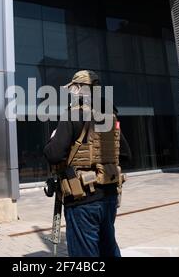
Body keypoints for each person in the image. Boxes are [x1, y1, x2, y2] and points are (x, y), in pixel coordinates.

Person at [43, 70, 131, 257]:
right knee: (108, 249)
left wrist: (52, 140)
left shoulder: (72, 115)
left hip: (82, 201)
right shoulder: (110, 115)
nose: (71, 93)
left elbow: (54, 155)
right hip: (109, 197)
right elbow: (125, 154)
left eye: (73, 88)